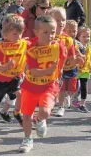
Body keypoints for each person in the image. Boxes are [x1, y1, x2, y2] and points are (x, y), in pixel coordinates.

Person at [18, 16, 67, 153]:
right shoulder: (30, 47)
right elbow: (33, 71)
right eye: (45, 32)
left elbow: (61, 63)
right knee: (26, 115)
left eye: (52, 32)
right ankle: (27, 139)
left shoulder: (59, 47)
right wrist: (49, 70)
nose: (50, 35)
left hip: (49, 86)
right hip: (30, 85)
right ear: (36, 32)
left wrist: (57, 72)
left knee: (45, 112)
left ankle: (39, 119)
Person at [56, 20, 84, 117]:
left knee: (73, 89)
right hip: (62, 68)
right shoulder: (61, 40)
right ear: (64, 30)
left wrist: (81, 60)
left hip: (72, 68)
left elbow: (81, 55)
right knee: (62, 88)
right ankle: (60, 107)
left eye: (74, 31)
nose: (72, 33)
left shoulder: (78, 44)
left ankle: (68, 95)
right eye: (69, 31)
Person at [72, 26, 91, 112]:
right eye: (84, 36)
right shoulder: (76, 46)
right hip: (77, 70)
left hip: (86, 70)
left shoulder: (89, 47)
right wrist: (75, 65)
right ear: (79, 37)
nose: (87, 38)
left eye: (88, 36)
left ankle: (82, 104)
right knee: (76, 87)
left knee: (84, 88)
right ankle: (73, 99)